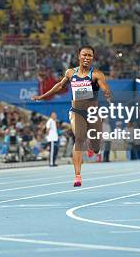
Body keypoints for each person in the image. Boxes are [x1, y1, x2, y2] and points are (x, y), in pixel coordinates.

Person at [32, 46, 111, 187]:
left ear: (93, 58)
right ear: (78, 56)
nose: (87, 58)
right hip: (76, 111)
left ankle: (91, 144)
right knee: (79, 138)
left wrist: (106, 93)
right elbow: (58, 86)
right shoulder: (70, 73)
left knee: (96, 147)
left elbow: (104, 86)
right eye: (84, 55)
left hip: (92, 113)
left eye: (90, 55)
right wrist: (42, 96)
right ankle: (77, 175)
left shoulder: (96, 74)